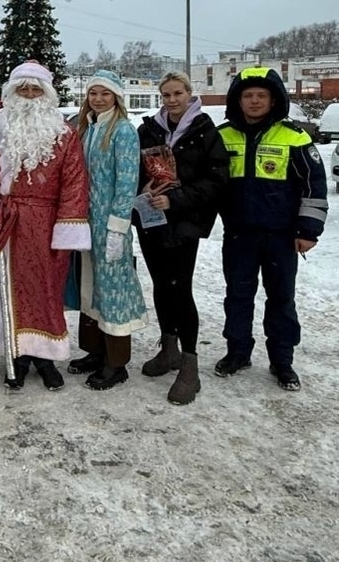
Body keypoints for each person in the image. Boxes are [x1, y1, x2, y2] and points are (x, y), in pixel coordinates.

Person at [0, 60, 90, 392]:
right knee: (7, 289)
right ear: (13, 91)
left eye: (36, 89)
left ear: (47, 93)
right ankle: (17, 355)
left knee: (45, 290)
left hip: (46, 223)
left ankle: (45, 357)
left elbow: (75, 183)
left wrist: (67, 228)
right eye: (23, 88)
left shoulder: (64, 133)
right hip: (4, 218)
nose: (30, 94)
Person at [215, 66, 327, 391]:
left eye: (261, 95)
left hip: (281, 237)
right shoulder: (222, 136)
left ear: (273, 99)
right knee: (238, 296)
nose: (254, 101)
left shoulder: (295, 137)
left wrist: (308, 231)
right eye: (248, 95)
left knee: (281, 299)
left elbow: (314, 186)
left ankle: (282, 360)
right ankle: (237, 352)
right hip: (239, 236)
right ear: (237, 100)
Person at [135, 72, 230, 404]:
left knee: (180, 289)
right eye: (166, 95)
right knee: (161, 286)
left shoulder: (205, 131)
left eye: (178, 93)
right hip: (151, 221)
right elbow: (134, 169)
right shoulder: (148, 130)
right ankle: (169, 348)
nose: (172, 100)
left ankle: (190, 365)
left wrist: (175, 199)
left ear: (190, 94)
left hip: (185, 222)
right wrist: (144, 188)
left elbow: (216, 181)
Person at [68, 69, 146, 390]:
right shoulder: (87, 128)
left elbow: (127, 182)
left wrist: (117, 227)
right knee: (90, 286)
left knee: (113, 289)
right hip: (86, 223)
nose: (98, 99)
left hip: (110, 225)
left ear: (116, 97)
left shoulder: (123, 130)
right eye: (93, 93)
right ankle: (95, 351)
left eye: (105, 94)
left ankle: (116, 362)